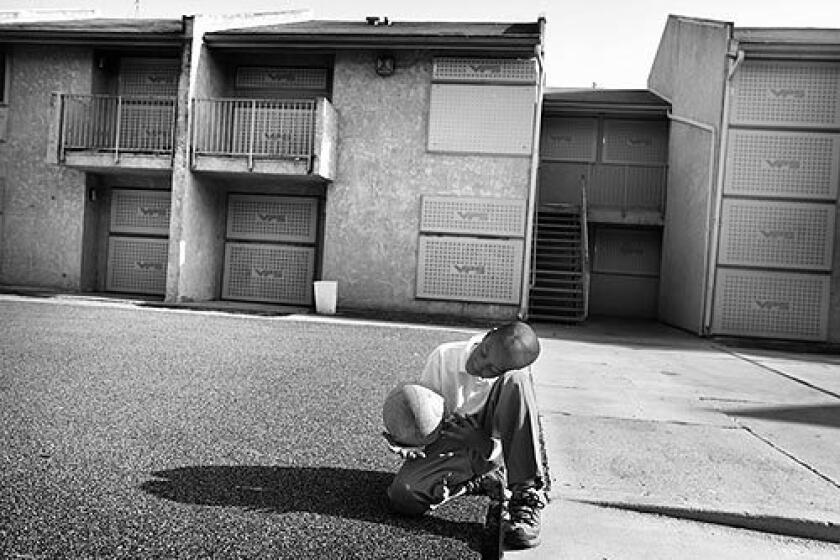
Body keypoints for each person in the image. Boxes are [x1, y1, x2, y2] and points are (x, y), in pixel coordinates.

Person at [384, 320, 545, 549]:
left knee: (518, 381)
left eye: (493, 370)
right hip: (450, 440)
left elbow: (509, 435)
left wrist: (482, 443)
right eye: (484, 354)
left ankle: (525, 497)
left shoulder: (512, 377)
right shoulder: (444, 356)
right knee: (403, 496)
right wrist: (409, 442)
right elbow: (423, 418)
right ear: (488, 335)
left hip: (491, 445)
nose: (481, 367)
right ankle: (474, 482)